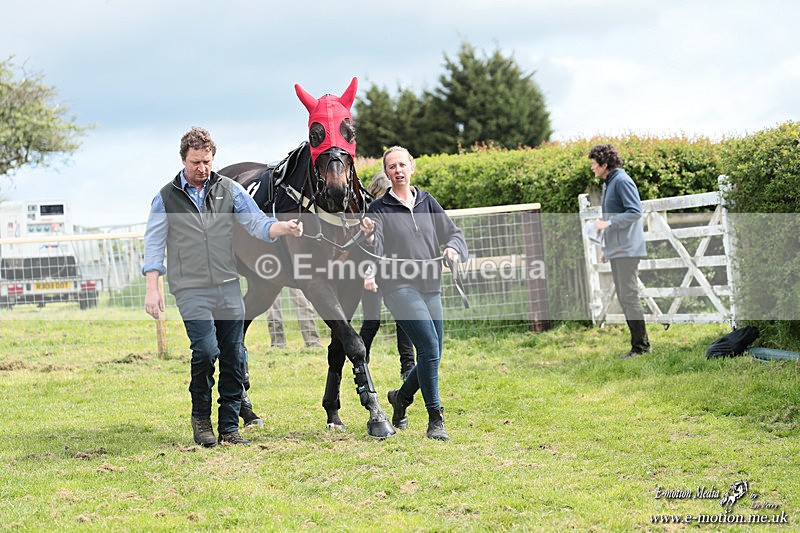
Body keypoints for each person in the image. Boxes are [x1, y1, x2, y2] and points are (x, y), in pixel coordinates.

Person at [143, 126, 303, 447]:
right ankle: (201, 419)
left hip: (227, 284)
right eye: (195, 162)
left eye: (207, 161)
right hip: (190, 288)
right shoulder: (165, 198)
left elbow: (255, 221)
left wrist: (280, 227)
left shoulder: (229, 190)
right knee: (205, 351)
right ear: (183, 160)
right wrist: (152, 287)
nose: (202, 168)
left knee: (233, 354)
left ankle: (230, 427)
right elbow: (154, 242)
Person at [364, 146, 468, 441]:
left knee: (434, 352)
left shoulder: (427, 201)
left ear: (411, 168)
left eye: (402, 165)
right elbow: (377, 245)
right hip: (398, 286)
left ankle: (401, 397)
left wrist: (452, 248)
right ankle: (436, 418)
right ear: (386, 173)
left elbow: (454, 233)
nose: (397, 171)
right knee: (428, 346)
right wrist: (370, 235)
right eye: (391, 167)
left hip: (430, 284)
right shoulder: (378, 210)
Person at [589, 143, 650, 359]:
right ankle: (639, 345)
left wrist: (607, 224)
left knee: (629, 296)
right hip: (618, 249)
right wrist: (607, 248)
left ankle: (641, 348)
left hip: (628, 249)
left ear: (605, 164)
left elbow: (635, 212)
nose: (592, 168)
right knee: (625, 297)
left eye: (594, 164)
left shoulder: (622, 181)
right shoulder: (609, 183)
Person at [359, 171, 416, 380]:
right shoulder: (369, 215)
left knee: (403, 319)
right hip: (371, 273)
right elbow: (366, 247)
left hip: (395, 275)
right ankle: (361, 363)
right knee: (372, 321)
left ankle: (408, 366)